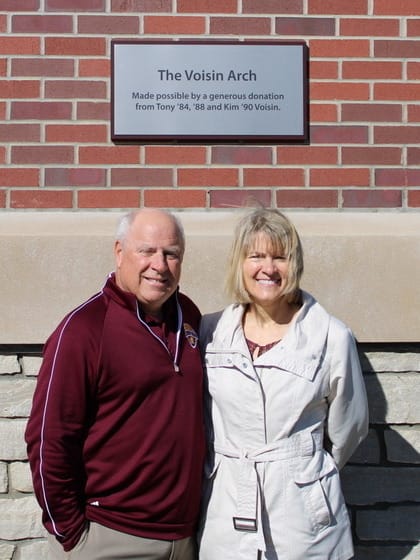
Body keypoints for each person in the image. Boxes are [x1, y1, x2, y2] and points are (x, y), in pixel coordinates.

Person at [25, 208, 205, 560]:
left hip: (186, 537)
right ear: (119, 252)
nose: (160, 264)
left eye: (171, 254)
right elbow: (48, 439)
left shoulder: (190, 317)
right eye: (147, 251)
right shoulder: (83, 330)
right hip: (111, 538)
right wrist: (72, 535)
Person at [198, 208, 369, 560]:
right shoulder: (211, 332)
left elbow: (349, 428)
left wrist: (299, 468)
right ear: (239, 263)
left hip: (302, 515)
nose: (268, 268)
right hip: (227, 504)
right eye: (256, 255)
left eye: (280, 256)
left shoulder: (330, 336)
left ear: (295, 264)